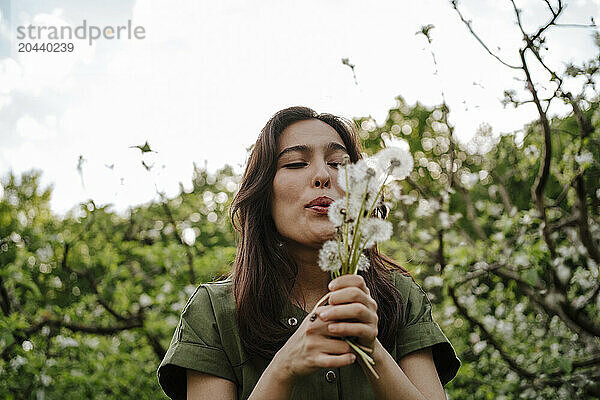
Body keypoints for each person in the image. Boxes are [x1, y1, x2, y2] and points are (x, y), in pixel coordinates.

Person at [157, 106, 460, 399]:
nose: (322, 176)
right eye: (296, 163)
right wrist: (285, 366)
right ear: (264, 192)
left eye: (339, 164)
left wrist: (372, 349)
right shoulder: (214, 311)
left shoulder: (400, 297)